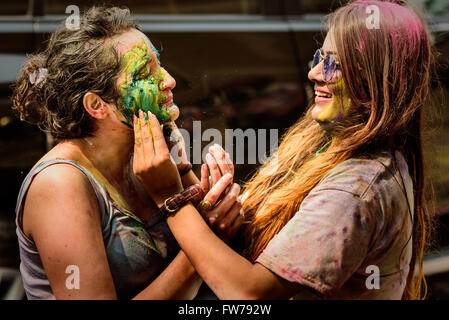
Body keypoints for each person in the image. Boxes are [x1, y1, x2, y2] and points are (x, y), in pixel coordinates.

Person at [133, 0, 435, 299]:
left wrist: (169, 197)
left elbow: (250, 294)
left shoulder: (356, 189)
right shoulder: (324, 139)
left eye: (333, 64)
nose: (314, 73)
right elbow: (269, 245)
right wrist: (194, 183)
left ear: (378, 79)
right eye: (318, 57)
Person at [12, 6, 242, 300]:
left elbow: (209, 239)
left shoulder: (147, 153)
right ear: (96, 105)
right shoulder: (59, 184)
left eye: (160, 64)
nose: (169, 80)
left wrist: (211, 198)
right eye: (146, 73)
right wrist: (205, 244)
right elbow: (204, 246)